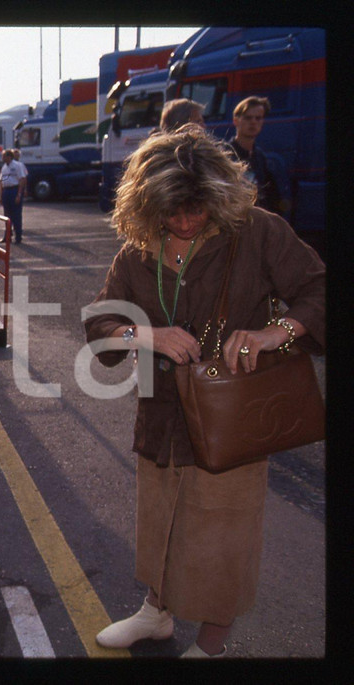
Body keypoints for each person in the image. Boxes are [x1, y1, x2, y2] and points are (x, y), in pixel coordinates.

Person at [84, 126, 324, 657]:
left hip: (232, 417)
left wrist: (274, 333)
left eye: (198, 209)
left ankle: (212, 643)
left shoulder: (257, 231)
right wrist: (146, 334)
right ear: (148, 205)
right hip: (162, 416)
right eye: (173, 212)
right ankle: (156, 614)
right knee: (160, 522)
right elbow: (99, 326)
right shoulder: (135, 253)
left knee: (224, 535)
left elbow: (319, 289)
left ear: (218, 195)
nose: (187, 221)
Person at [228, 96, 282, 215]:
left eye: (258, 118)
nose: (253, 122)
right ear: (236, 120)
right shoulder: (225, 155)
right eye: (248, 117)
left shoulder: (260, 157)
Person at [0, 149, 27, 244]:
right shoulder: (4, 167)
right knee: (7, 215)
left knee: (16, 215)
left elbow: (22, 179)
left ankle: (18, 237)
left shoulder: (18, 165)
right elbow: (1, 182)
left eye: (4, 156)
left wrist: (19, 194)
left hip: (14, 190)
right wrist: (1, 196)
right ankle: (7, 236)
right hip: (6, 191)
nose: (2, 158)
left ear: (9, 156)